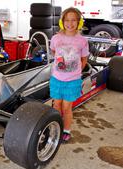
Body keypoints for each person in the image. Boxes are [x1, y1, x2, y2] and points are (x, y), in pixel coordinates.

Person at [50, 7, 89, 142]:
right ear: (62, 22)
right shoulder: (56, 38)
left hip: (72, 81)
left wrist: (74, 71)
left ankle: (66, 130)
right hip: (57, 79)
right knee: (56, 105)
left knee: (67, 107)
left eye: (74, 20)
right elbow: (54, 53)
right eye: (67, 20)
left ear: (79, 22)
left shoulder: (82, 41)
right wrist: (62, 66)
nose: (70, 23)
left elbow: (84, 59)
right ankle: (56, 126)